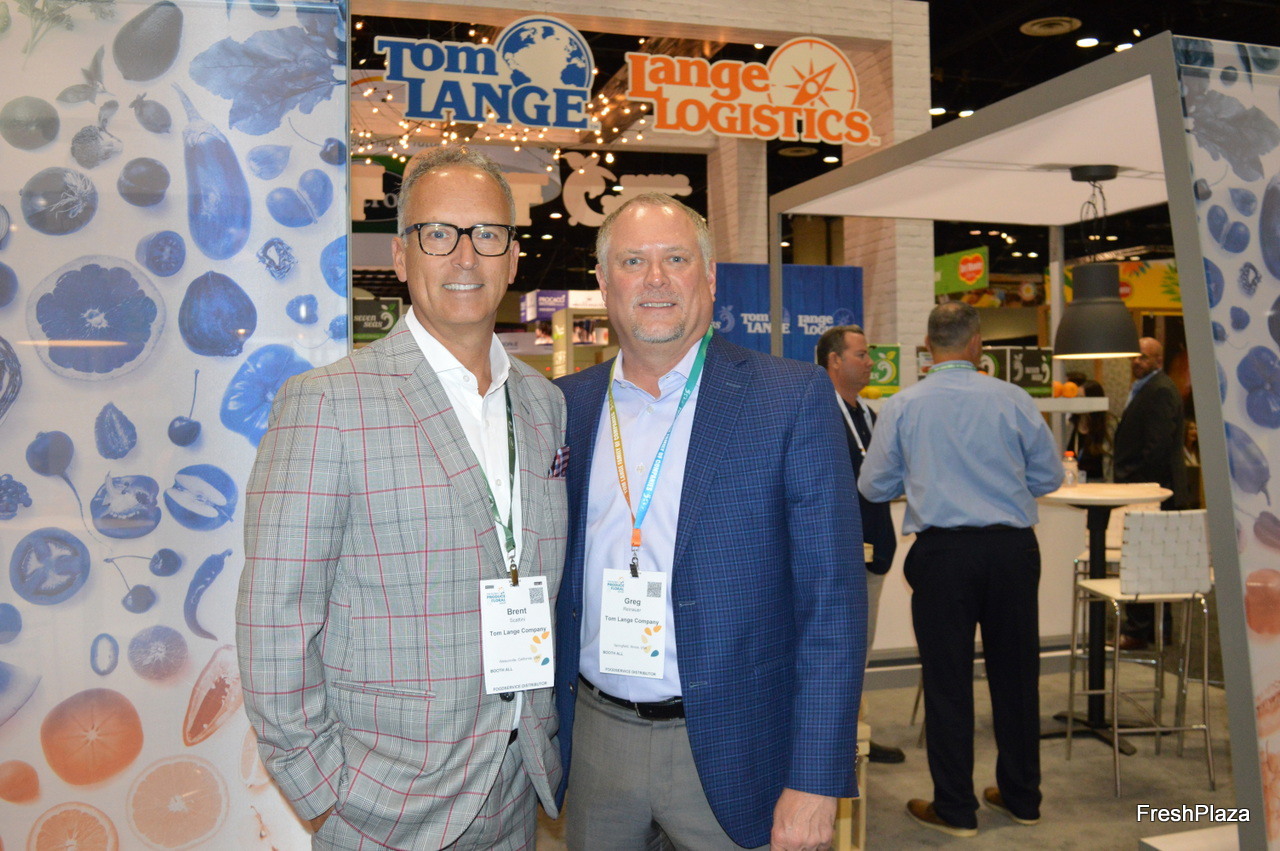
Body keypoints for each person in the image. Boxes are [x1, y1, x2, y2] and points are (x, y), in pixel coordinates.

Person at [237, 146, 568, 850]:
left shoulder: (544, 406)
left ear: (513, 258)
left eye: (488, 234)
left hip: (517, 789)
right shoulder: (326, 402)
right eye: (438, 233)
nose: (465, 256)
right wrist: (324, 791)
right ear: (400, 254)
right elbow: (276, 613)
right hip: (381, 803)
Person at [554, 193, 865, 851]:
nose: (655, 279)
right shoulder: (566, 407)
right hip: (596, 741)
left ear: (711, 277)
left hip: (738, 745)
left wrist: (815, 779)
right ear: (604, 282)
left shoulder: (790, 397)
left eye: (676, 259)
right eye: (633, 261)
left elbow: (832, 605)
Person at [859, 302, 1062, 838]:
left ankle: (956, 808)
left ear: (928, 347)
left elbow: (873, 486)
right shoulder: (1013, 399)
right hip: (1012, 552)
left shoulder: (903, 405)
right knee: (1017, 676)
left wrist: (918, 479)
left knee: (948, 681)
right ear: (977, 345)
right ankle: (1022, 798)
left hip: (944, 554)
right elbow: (1048, 477)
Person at [817, 324, 905, 765]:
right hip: (838, 557)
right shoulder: (818, 413)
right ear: (834, 360)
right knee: (835, 653)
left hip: (876, 550)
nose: (871, 362)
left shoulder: (870, 416)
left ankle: (853, 737)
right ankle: (832, 745)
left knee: (861, 651)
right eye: (862, 354)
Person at [1112, 336, 1189, 648]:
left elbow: (1157, 447)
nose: (1136, 362)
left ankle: (1139, 630)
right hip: (1150, 490)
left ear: (1158, 360)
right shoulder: (1148, 388)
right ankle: (1159, 629)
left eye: (1143, 357)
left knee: (1144, 561)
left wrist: (1135, 484)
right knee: (1154, 562)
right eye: (1134, 356)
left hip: (1151, 492)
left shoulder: (1159, 390)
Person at [1065, 379, 1112, 483]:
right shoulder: (1069, 425)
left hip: (1100, 485)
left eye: (1081, 398)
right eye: (1076, 397)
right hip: (1073, 482)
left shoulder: (1108, 428)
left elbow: (1110, 465)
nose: (1077, 402)